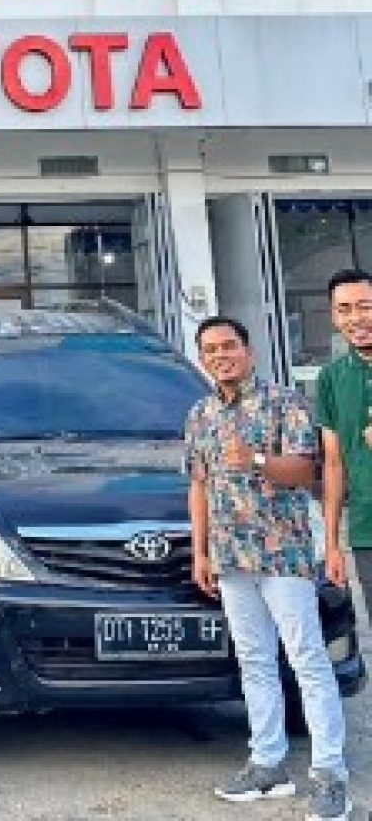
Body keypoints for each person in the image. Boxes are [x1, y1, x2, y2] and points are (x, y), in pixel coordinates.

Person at [186, 318, 349, 821]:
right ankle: (267, 764)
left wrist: (255, 459)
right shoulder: (200, 414)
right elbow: (198, 485)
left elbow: (306, 470)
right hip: (231, 558)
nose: (220, 356)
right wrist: (200, 552)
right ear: (202, 359)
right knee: (254, 661)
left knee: (307, 660)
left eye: (228, 346)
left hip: (283, 555)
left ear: (248, 351)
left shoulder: (284, 403)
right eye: (210, 350)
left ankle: (330, 776)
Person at [316, 269, 372, 627]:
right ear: (334, 317)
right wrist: (332, 544)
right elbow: (334, 464)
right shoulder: (331, 378)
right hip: (367, 527)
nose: (355, 318)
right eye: (344, 309)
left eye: (365, 306)